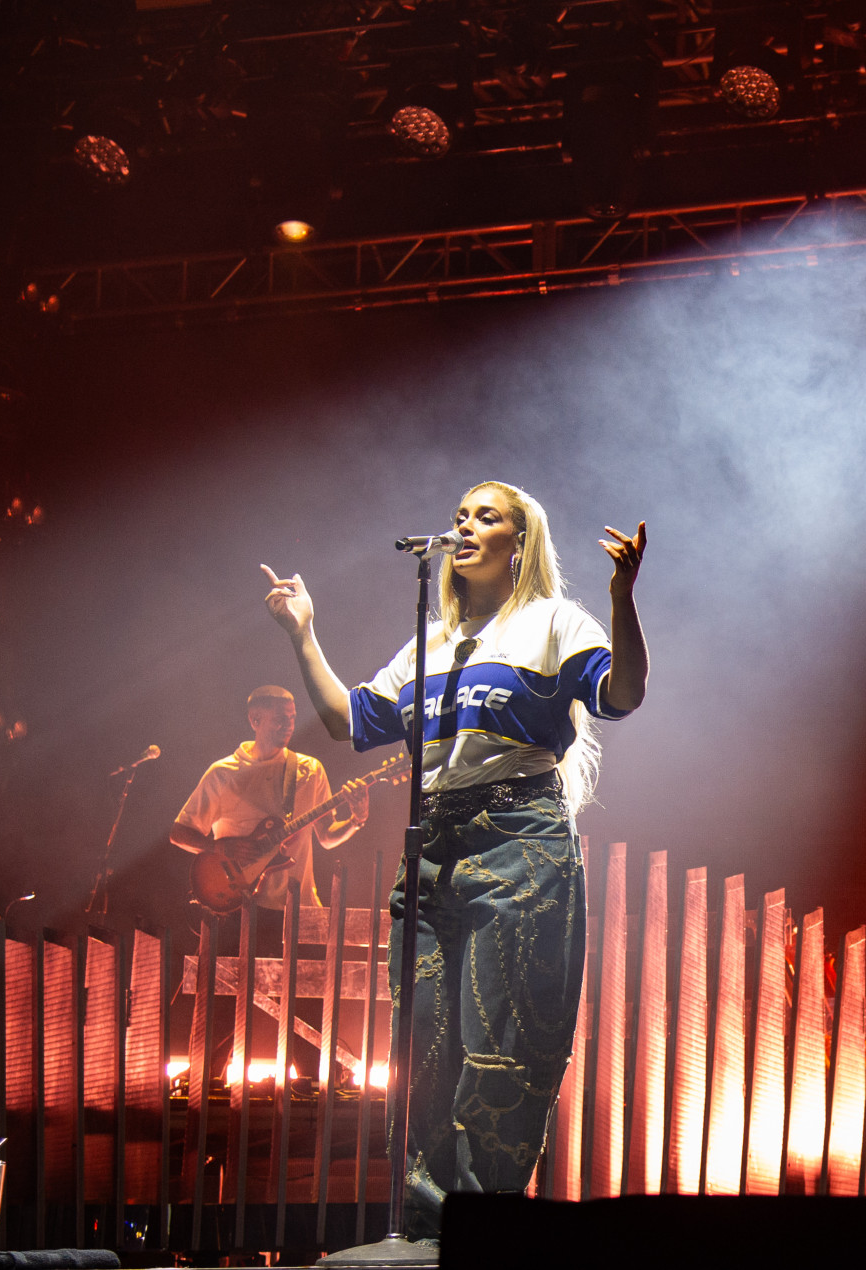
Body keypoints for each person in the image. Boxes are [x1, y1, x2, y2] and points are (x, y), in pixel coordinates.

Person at [257, 480, 647, 1239]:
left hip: (517, 840)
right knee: (424, 1046)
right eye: (460, 515)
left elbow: (623, 694)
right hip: (433, 846)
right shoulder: (433, 642)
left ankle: (485, 1229)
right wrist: (302, 633)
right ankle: (432, 1232)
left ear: (518, 541)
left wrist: (622, 598)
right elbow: (349, 723)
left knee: (496, 1048)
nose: (464, 525)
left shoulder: (553, 622)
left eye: (486, 516)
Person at [170, 685, 370, 911]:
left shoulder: (311, 770)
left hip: (298, 907)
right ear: (255, 720)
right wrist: (220, 848)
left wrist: (356, 819)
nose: (288, 726)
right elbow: (179, 833)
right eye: (279, 719)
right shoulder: (223, 773)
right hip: (241, 907)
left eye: (292, 718)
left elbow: (326, 837)